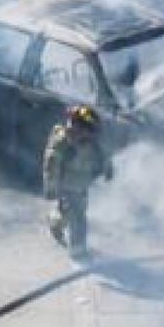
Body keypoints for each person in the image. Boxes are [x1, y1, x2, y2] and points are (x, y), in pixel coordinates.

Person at [42, 105, 109, 255]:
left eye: (90, 131)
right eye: (83, 129)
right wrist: (51, 188)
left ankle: (57, 224)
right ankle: (77, 251)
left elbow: (103, 156)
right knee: (74, 217)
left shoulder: (91, 143)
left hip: (82, 185)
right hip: (66, 186)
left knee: (76, 215)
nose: (87, 135)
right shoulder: (62, 143)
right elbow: (51, 166)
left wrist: (107, 169)